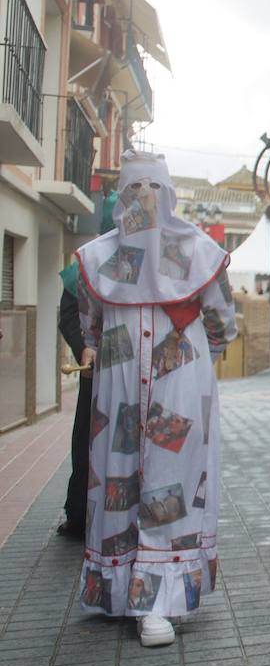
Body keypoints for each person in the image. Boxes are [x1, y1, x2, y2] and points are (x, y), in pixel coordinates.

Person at [73, 151, 237, 648]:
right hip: (120, 387)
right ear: (122, 195)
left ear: (167, 195)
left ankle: (156, 602)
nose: (144, 199)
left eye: (152, 189)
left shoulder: (200, 252)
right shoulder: (96, 258)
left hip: (179, 386)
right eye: (135, 189)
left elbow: (221, 321)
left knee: (173, 482)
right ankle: (119, 590)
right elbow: (91, 325)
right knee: (118, 475)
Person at [56, 190, 118, 539]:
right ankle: (80, 514)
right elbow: (68, 316)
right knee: (88, 442)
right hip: (97, 371)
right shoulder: (87, 262)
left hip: (132, 373)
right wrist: (84, 349)